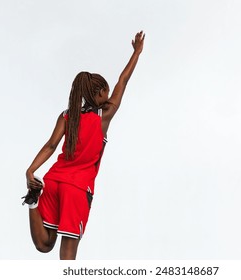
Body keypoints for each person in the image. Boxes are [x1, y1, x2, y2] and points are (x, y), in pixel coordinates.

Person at [22, 31, 145, 260]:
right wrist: (137, 53)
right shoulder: (104, 115)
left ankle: (33, 203)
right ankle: (34, 202)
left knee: (45, 244)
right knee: (68, 253)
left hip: (53, 181)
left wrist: (30, 170)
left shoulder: (67, 115)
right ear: (99, 94)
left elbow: (50, 146)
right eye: (106, 93)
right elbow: (123, 81)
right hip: (76, 189)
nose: (109, 97)